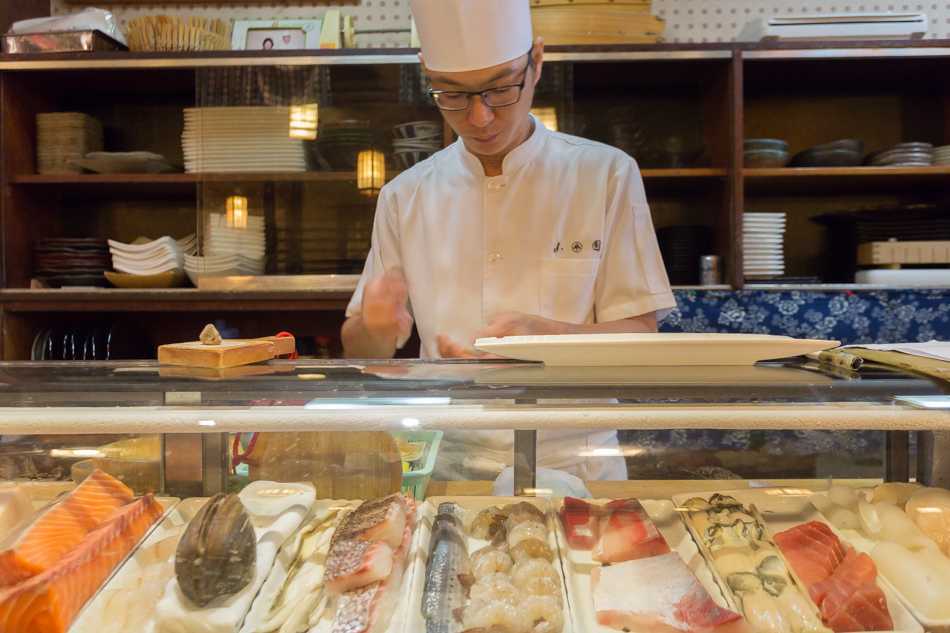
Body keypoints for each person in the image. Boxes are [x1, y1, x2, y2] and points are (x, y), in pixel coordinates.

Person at [341, 0, 676, 482]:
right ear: (426, 74)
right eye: (452, 94)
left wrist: (548, 337)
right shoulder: (404, 195)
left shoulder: (604, 174)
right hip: (450, 463)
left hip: (576, 461)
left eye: (501, 88)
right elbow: (362, 350)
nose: (479, 117)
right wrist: (375, 324)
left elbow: (641, 337)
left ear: (536, 62)